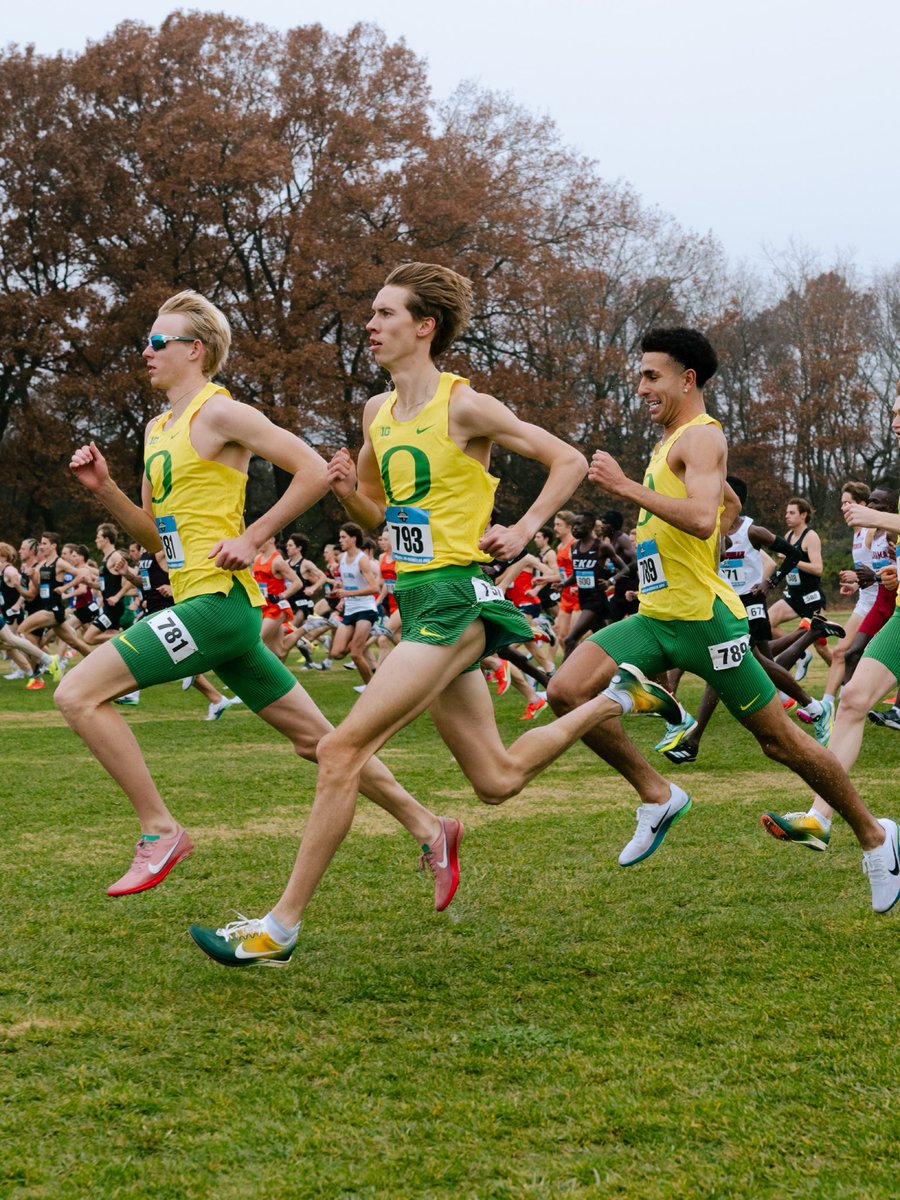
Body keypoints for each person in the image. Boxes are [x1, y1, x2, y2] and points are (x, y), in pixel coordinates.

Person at [188, 262, 684, 967]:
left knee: (339, 750)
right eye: (372, 313)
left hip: (455, 599)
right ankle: (613, 699)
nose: (370, 324)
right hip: (415, 597)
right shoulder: (375, 414)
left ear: (425, 326)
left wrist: (523, 527)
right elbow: (379, 512)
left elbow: (567, 460)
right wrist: (343, 493)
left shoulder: (465, 405)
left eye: (386, 313)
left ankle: (280, 927)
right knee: (497, 779)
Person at [57, 288, 462, 910]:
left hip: (219, 607)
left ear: (195, 351)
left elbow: (310, 468)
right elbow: (150, 532)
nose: (147, 352)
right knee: (321, 743)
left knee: (77, 693)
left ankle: (161, 831)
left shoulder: (221, 414)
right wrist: (104, 488)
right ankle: (429, 828)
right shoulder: (157, 428)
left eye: (158, 342)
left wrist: (253, 536)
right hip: (210, 611)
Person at [547, 326, 899, 914]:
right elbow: (720, 514)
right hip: (657, 618)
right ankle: (658, 795)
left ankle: (876, 836)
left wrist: (625, 486)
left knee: (780, 743)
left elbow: (703, 517)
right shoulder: (666, 442)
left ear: (687, 379)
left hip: (705, 625)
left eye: (650, 376)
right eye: (640, 376)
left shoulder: (703, 437)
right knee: (565, 689)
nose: (640, 388)